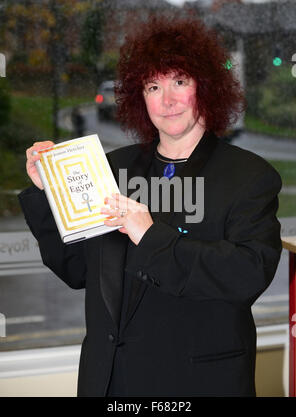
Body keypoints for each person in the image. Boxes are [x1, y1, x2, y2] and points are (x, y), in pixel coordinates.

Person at [19, 16, 282, 397]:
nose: (167, 100)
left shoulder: (249, 176)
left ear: (205, 88)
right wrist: (49, 194)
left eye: (180, 82)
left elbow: (247, 275)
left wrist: (151, 236)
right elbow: (77, 269)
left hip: (196, 382)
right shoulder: (112, 168)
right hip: (110, 382)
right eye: (153, 86)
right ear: (139, 97)